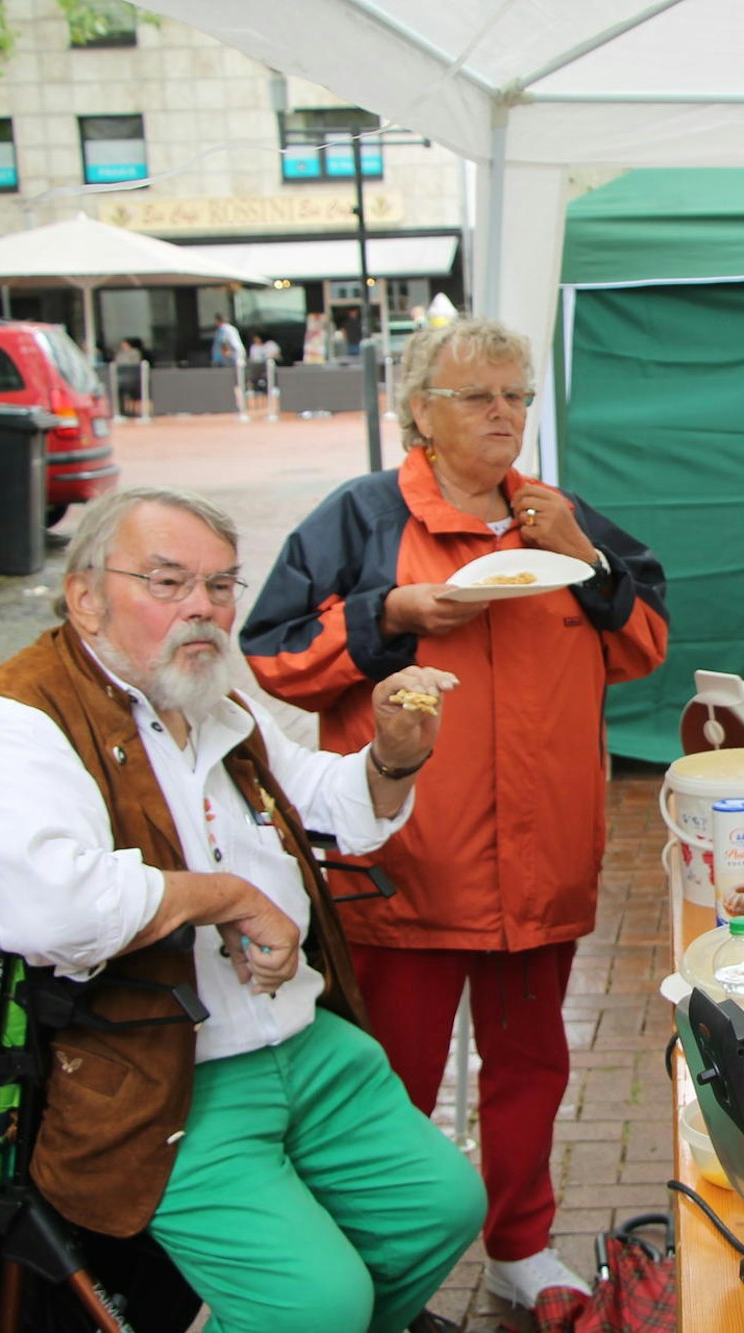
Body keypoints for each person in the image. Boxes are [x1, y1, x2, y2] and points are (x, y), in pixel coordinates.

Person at [0, 486, 485, 1333]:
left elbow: (320, 800)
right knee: (316, 1304)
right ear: (86, 597)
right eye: (168, 582)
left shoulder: (210, 698)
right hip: (152, 1076)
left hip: (298, 1037)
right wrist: (221, 894)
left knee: (438, 1207)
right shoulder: (13, 723)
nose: (204, 608)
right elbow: (49, 909)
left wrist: (392, 758)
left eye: (221, 585)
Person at [242, 317, 670, 1309]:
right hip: (406, 868)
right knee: (388, 1081)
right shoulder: (361, 518)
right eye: (478, 396)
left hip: (541, 860)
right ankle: (381, 1265)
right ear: (419, 412)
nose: (503, 414)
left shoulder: (560, 516)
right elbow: (273, 654)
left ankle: (520, 1246)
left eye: (517, 396)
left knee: (532, 1066)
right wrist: (388, 614)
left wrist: (587, 561)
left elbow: (644, 643)